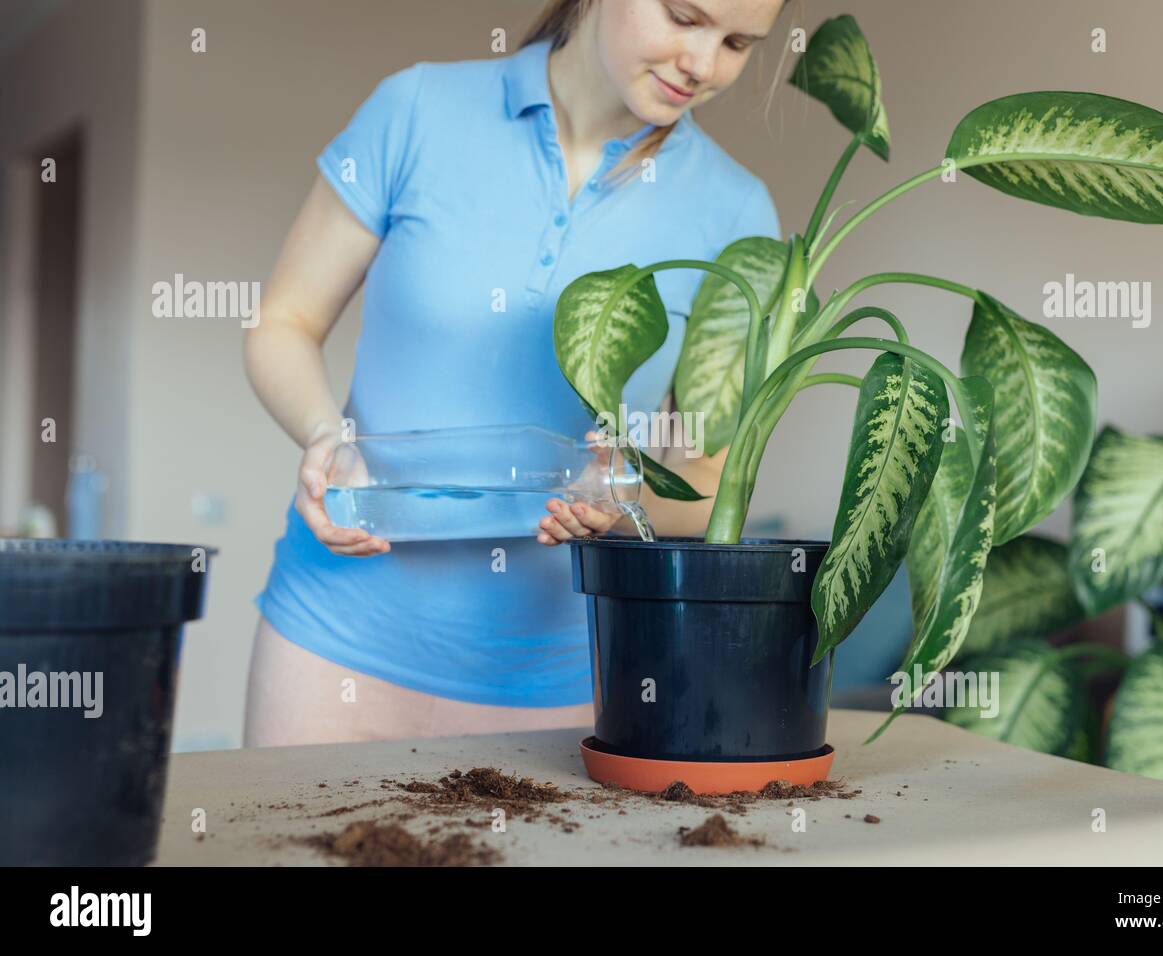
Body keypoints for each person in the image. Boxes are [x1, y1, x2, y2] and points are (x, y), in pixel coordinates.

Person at [242, 0, 789, 746]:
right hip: (334, 644)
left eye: (737, 43)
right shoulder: (416, 110)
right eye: (683, 16)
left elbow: (706, 487)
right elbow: (284, 324)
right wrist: (324, 436)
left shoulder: (736, 212)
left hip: (565, 682)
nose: (704, 63)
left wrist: (624, 500)